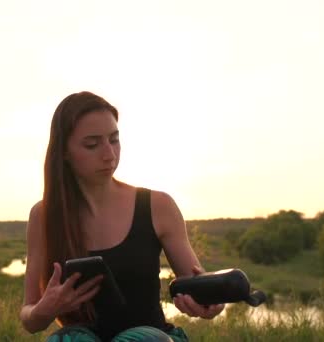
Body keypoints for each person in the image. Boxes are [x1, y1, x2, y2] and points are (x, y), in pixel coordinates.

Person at [19, 91, 224, 342]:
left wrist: (209, 302)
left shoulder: (157, 205)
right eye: (92, 144)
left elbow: (195, 284)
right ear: (64, 151)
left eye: (114, 140)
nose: (109, 154)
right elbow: (30, 319)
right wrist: (44, 309)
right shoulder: (44, 216)